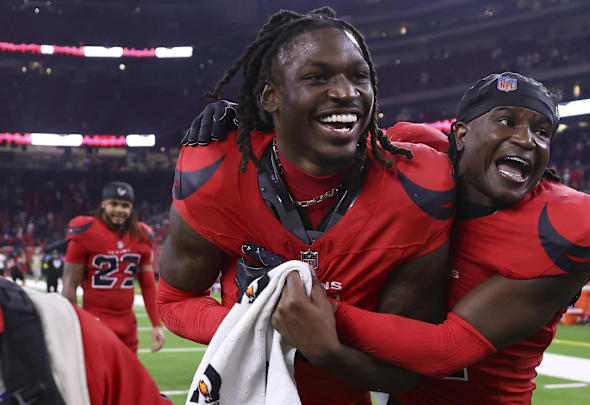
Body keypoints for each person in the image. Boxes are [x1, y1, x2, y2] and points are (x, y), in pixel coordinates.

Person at [157, 7, 454, 405]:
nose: (346, 92)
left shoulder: (420, 188)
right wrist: (254, 320)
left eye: (358, 76)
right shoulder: (214, 171)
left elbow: (402, 372)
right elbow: (173, 301)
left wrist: (322, 341)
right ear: (271, 96)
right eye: (317, 77)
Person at [271, 72, 590, 405]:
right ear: (462, 134)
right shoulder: (412, 160)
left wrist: (321, 312)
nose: (527, 139)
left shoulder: (558, 226)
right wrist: (256, 125)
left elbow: (446, 349)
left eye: (542, 132)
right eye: (507, 121)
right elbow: (320, 147)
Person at [0, 278, 171, 405]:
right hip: (92, 326)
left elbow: (148, 282)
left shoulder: (56, 323)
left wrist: (156, 323)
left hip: (98, 335)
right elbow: (71, 279)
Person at [61, 181, 164, 354]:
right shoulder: (86, 231)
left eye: (125, 205)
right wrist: (72, 323)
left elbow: (147, 284)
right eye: (113, 204)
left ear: (131, 208)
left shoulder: (141, 235)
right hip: (95, 322)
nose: (119, 210)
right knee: (98, 380)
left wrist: (156, 324)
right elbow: (69, 284)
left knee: (128, 380)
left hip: (128, 326)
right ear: (103, 205)